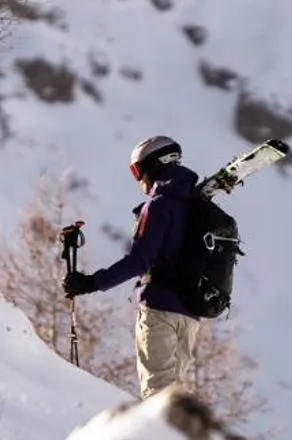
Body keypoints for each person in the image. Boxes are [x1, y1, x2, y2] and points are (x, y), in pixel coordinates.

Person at [64, 135, 203, 397]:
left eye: (137, 170)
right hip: (190, 314)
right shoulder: (195, 204)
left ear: (154, 164)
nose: (138, 179)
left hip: (159, 310)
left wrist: (91, 283)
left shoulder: (159, 205)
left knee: (157, 401)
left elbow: (140, 260)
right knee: (174, 400)